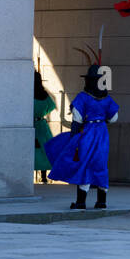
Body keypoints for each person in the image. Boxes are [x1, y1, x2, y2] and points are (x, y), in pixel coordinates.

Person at [44, 58, 119, 210]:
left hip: (88, 132)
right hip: (102, 133)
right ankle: (101, 201)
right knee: (100, 164)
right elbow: (114, 118)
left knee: (84, 163)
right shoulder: (108, 98)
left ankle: (81, 202)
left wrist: (74, 136)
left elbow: (77, 119)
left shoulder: (82, 97)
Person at [34, 69, 55, 183]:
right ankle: (43, 176)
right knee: (44, 150)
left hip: (31, 125)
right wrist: (43, 112)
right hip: (42, 124)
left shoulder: (28, 94)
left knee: (32, 151)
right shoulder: (44, 94)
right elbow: (52, 106)